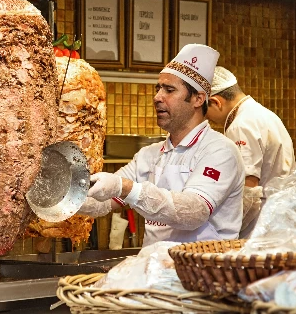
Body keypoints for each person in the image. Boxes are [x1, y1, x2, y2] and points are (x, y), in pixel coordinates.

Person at [77, 44, 246, 246]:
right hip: (155, 269)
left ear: (198, 99)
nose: (157, 97)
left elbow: (193, 212)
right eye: (158, 89)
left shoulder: (220, 151)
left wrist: (126, 188)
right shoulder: (149, 155)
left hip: (204, 271)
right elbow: (101, 202)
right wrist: (59, 196)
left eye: (169, 90)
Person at [206, 66, 296, 237]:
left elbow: (249, 189)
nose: (208, 119)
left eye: (205, 112)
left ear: (216, 102)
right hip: (280, 219)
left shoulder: (240, 126)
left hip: (260, 227)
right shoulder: (264, 114)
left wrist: (226, 230)